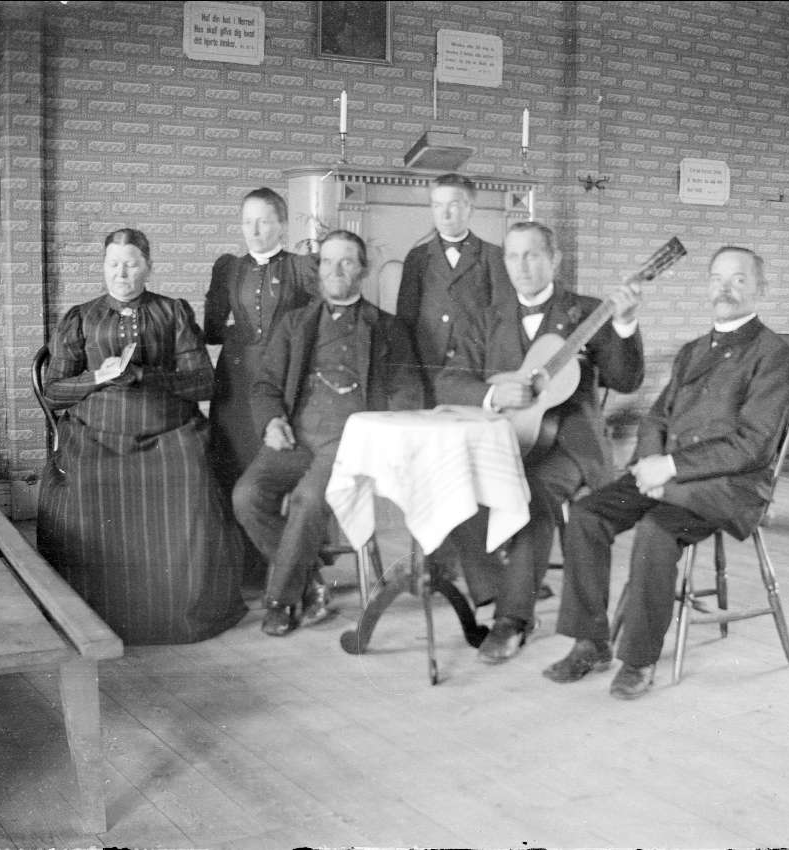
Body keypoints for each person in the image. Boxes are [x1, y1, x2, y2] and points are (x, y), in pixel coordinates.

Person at [543, 246, 789, 700]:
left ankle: (638, 660)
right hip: (667, 475)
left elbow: (753, 444)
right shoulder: (694, 350)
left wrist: (671, 467)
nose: (724, 288)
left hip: (725, 487)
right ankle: (590, 643)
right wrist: (649, 466)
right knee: (586, 515)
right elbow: (656, 419)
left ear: (761, 289)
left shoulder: (774, 354)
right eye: (717, 278)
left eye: (738, 279)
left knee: (655, 532)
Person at [435, 220, 645, 664]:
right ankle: (495, 586)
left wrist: (625, 325)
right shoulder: (486, 316)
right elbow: (449, 381)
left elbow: (626, 380)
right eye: (513, 256)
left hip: (571, 446)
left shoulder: (588, 313)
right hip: (508, 440)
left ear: (555, 259)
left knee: (529, 495)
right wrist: (493, 394)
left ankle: (513, 619)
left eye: (532, 255)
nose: (522, 266)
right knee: (454, 482)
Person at [37, 228, 246, 645]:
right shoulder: (81, 317)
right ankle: (91, 615)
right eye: (113, 264)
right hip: (95, 434)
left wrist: (144, 375)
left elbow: (204, 383)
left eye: (131, 264)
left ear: (148, 267)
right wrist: (97, 377)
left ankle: (177, 611)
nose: (122, 273)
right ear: (103, 267)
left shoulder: (173, 312)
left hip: (168, 431)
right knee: (86, 484)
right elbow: (54, 393)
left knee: (191, 476)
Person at [232, 230, 425, 636]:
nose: (335, 270)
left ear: (363, 270)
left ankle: (282, 601)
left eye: (347, 262)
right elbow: (265, 386)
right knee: (246, 496)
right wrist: (272, 422)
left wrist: (380, 438)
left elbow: (407, 393)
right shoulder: (295, 323)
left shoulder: (387, 328)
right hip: (296, 438)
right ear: (318, 269)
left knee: (307, 500)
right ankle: (310, 582)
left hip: (352, 444)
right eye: (328, 262)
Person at [203, 187, 318, 515]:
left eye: (264, 222)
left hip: (283, 382)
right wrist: (236, 334)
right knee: (232, 463)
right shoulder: (229, 268)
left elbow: (319, 327)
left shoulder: (301, 267)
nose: (253, 231)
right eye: (247, 222)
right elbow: (212, 331)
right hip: (235, 383)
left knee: (276, 465)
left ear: (282, 225)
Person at [396, 172, 511, 403]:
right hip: (428, 368)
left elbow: (502, 319)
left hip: (474, 371)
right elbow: (405, 321)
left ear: (470, 208)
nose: (444, 214)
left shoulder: (493, 256)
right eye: (437, 205)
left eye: (453, 205)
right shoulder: (418, 257)